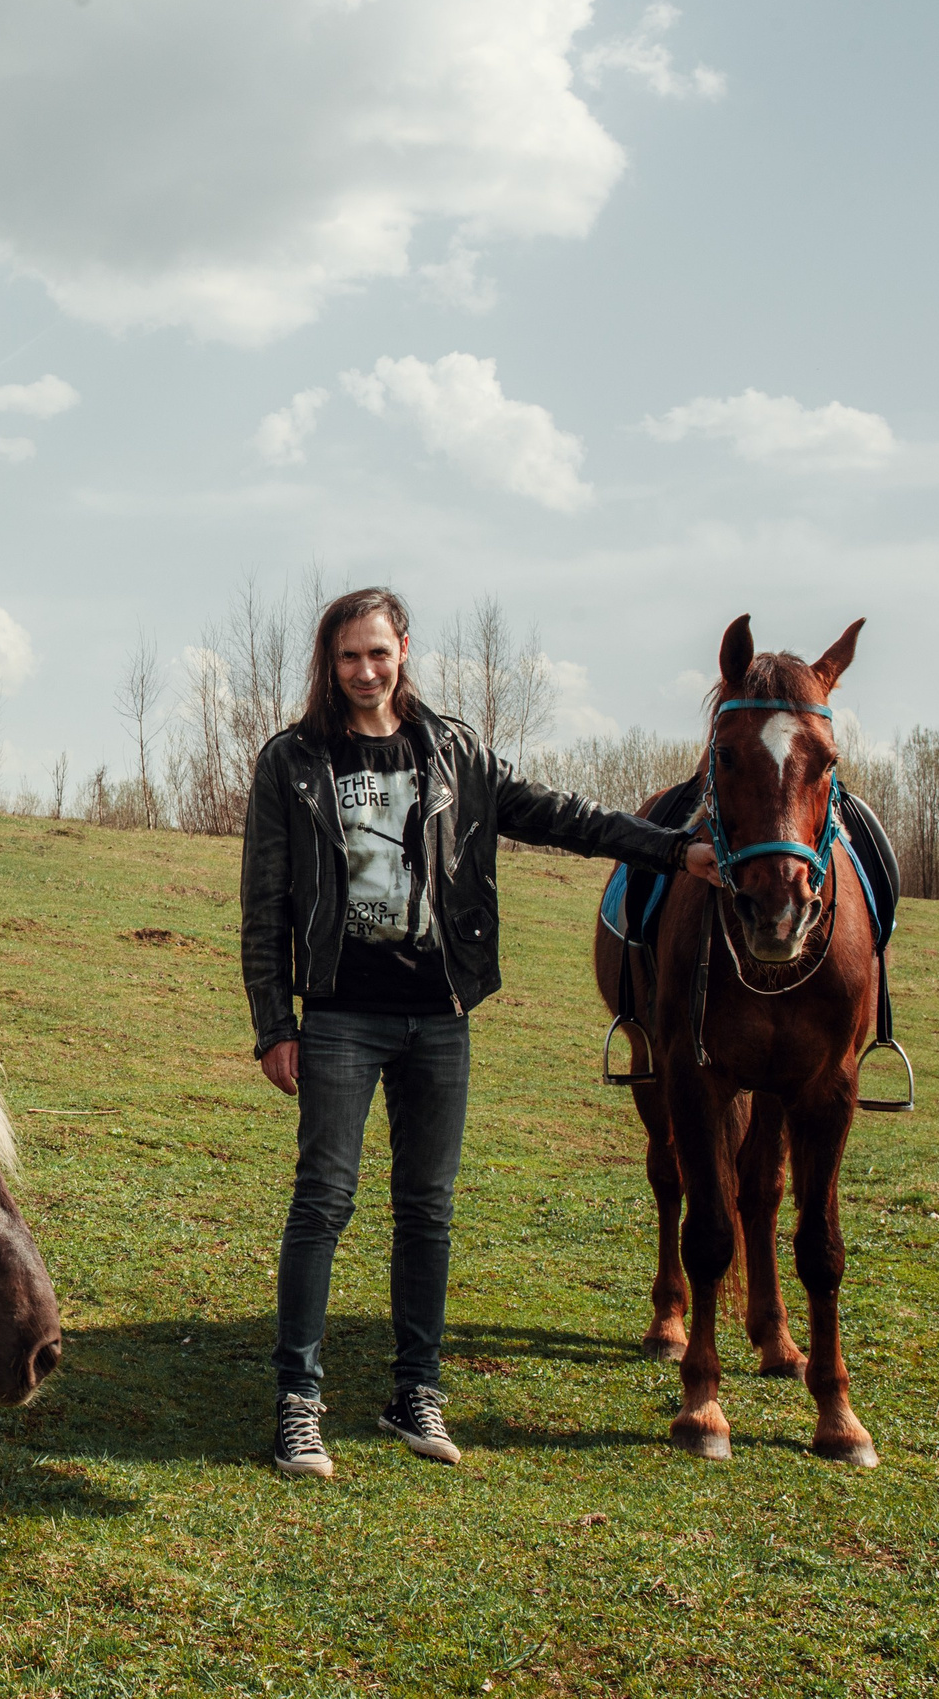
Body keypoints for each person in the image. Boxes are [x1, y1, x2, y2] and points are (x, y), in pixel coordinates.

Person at [239, 587, 719, 1478]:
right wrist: (276, 1022)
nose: (364, 671)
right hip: (340, 1013)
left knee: (428, 1209)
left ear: (404, 650)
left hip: (439, 1014)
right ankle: (298, 1402)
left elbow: (564, 818)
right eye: (348, 657)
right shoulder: (294, 761)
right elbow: (263, 903)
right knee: (324, 1203)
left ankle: (415, 1391)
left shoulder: (454, 751)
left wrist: (671, 847)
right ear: (328, 662)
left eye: (378, 653)